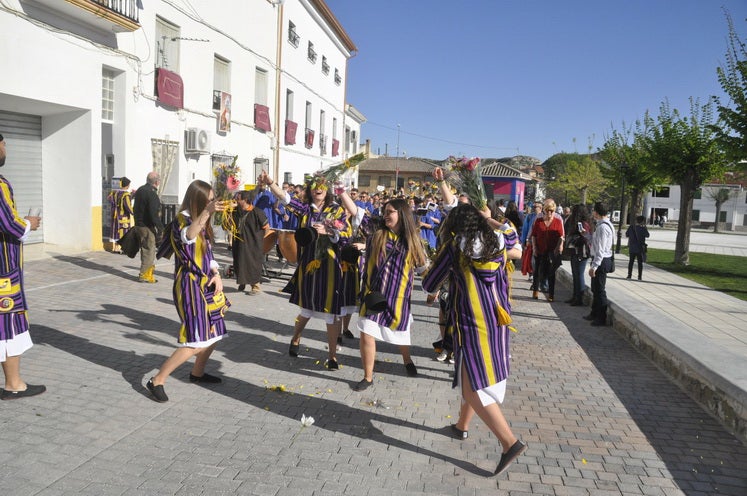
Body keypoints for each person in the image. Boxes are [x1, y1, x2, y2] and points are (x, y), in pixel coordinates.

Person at [422, 203, 526, 477]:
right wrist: (489, 221)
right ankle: (461, 426)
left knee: (471, 388)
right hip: (497, 320)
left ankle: (509, 442)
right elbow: (514, 236)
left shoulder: (456, 247)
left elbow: (430, 284)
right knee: (471, 376)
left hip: (470, 324)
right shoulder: (498, 240)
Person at [147, 180, 230, 402]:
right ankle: (157, 380)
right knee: (195, 339)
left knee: (215, 332)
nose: (212, 203)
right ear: (198, 201)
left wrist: (217, 274)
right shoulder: (181, 221)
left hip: (206, 283)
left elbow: (208, 252)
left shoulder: (202, 221)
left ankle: (197, 373)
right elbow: (189, 236)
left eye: (213, 200)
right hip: (189, 286)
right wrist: (206, 213)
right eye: (208, 199)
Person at [261, 171, 351, 370]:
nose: (318, 189)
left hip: (330, 265)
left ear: (327, 189)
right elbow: (285, 199)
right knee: (306, 309)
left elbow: (346, 235)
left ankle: (332, 356)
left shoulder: (337, 210)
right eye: (315, 185)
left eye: (322, 185)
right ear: (310, 189)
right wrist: (271, 183)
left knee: (331, 312)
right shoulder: (305, 209)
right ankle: (295, 338)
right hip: (309, 264)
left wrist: (329, 231)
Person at [353, 198, 428, 390]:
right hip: (373, 296)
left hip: (398, 299)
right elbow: (356, 212)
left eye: (391, 212)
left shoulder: (413, 240)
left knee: (400, 335)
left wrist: (433, 290)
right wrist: (341, 191)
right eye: (385, 211)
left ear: (402, 214)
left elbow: (422, 269)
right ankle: (368, 377)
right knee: (366, 333)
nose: (386, 215)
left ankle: (407, 359)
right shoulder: (376, 233)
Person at [0, 133, 46, 400]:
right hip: (3, 269)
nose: (6, 148)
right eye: (4, 144)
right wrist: (28, 223)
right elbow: (9, 223)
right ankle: (13, 384)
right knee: (7, 324)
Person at [231, 190, 269, 293]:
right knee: (239, 262)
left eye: (238, 199)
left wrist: (259, 239)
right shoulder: (235, 211)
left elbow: (266, 228)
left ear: (245, 200)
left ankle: (255, 286)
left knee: (252, 264)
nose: (236, 201)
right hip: (239, 242)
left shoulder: (257, 212)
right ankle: (242, 281)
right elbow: (228, 224)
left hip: (253, 243)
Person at [585, 202, 615, 326]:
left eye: (593, 211)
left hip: (602, 260)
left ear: (596, 212)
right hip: (601, 259)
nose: (592, 213)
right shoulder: (603, 225)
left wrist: (594, 266)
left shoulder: (603, 227)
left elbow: (601, 249)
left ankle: (601, 317)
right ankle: (594, 312)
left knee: (600, 289)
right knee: (595, 288)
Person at [530, 200, 564, 301]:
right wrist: (534, 248)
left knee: (551, 273)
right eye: (547, 211)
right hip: (539, 250)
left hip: (552, 251)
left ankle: (551, 295)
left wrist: (559, 248)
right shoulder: (539, 221)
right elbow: (534, 235)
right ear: (544, 210)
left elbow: (561, 236)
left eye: (551, 211)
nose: (549, 213)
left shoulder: (558, 221)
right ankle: (535, 291)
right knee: (537, 271)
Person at [133, 172, 164, 283]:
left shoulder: (140, 190)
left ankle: (146, 273)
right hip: (146, 226)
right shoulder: (152, 194)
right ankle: (144, 275)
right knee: (149, 250)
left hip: (139, 224)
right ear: (157, 182)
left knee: (145, 249)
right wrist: (160, 228)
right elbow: (153, 214)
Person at [564, 204, 592, 306]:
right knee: (575, 274)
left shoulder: (584, 224)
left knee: (579, 275)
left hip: (581, 252)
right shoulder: (576, 223)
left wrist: (580, 235)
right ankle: (575, 296)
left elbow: (587, 238)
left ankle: (579, 297)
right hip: (575, 251)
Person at [108, 176, 133, 254]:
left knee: (116, 232)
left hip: (115, 217)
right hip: (123, 217)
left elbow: (109, 199)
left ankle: (115, 248)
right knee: (124, 233)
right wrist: (134, 212)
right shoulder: (126, 195)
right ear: (127, 185)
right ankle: (123, 249)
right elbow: (128, 206)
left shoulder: (114, 193)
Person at [626, 215, 650, 281]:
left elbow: (627, 234)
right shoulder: (643, 229)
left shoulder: (631, 228)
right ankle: (639, 276)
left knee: (631, 262)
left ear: (636, 221)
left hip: (632, 247)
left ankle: (629, 275)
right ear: (642, 221)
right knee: (640, 263)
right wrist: (645, 228)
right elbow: (647, 235)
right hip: (640, 248)